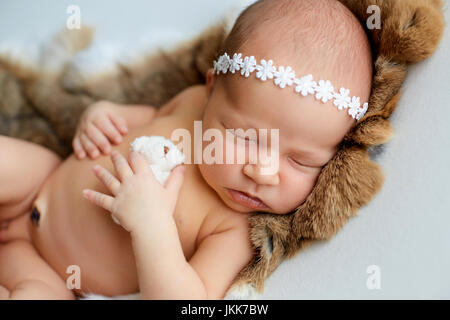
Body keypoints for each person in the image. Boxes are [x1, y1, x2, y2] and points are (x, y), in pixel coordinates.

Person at [0, 0, 372, 299]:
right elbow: (144, 117)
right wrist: (101, 116)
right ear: (211, 89)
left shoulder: (235, 231)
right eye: (244, 137)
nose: (261, 170)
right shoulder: (194, 104)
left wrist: (152, 226)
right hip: (37, 183)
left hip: (50, 274)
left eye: (300, 160)